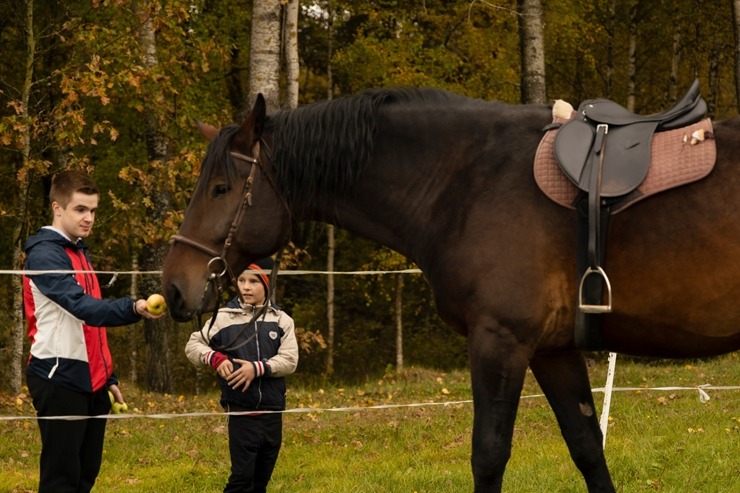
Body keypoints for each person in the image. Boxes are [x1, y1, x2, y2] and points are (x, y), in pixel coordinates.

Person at [22, 169, 163, 493]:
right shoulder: (45, 254)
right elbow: (82, 309)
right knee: (61, 479)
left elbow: (89, 330)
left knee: (86, 475)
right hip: (58, 377)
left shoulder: (78, 250)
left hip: (89, 379)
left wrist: (107, 377)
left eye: (93, 210)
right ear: (57, 208)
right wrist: (134, 307)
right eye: (80, 209)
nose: (89, 218)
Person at [185, 258, 298, 493]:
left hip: (273, 411)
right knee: (241, 478)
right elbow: (193, 346)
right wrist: (215, 358)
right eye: (242, 281)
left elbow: (289, 360)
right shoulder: (223, 318)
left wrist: (256, 368)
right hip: (242, 410)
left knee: (261, 479)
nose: (246, 287)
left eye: (254, 281)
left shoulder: (281, 320)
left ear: (267, 284)